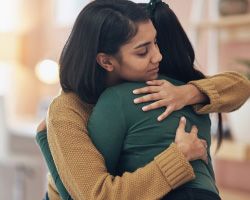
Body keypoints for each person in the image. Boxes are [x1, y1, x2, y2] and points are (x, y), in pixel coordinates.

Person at [36, 0, 250, 199]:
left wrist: (187, 93)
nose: (158, 56)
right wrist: (178, 157)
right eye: (142, 51)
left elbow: (240, 86)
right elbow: (97, 194)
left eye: (155, 42)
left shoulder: (157, 83)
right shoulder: (67, 110)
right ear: (106, 61)